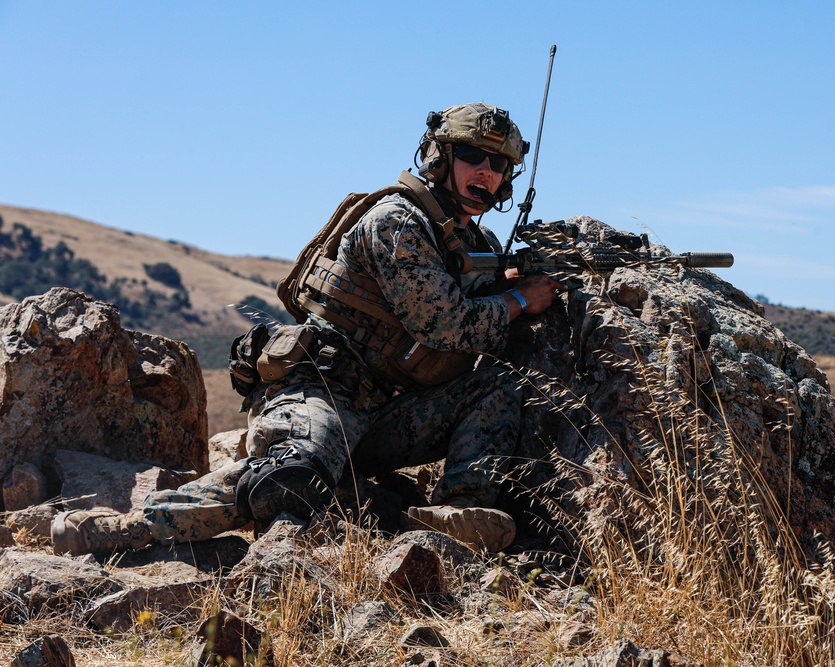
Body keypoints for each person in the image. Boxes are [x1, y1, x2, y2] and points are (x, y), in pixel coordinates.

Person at [51, 103, 564, 556]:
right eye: (474, 156)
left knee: (500, 386)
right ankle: (118, 530)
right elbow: (444, 323)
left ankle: (454, 517)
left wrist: (511, 283)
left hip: (389, 409)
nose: (487, 172)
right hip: (322, 390)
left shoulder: (474, 242)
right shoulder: (397, 220)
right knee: (290, 480)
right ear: (439, 156)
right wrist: (519, 299)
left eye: (499, 164)